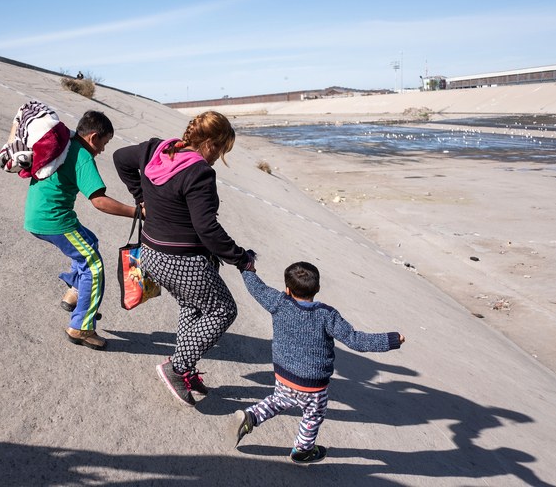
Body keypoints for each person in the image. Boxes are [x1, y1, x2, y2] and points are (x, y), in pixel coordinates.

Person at [113, 111, 256, 407]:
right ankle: (177, 368)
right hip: (182, 262)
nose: (219, 158)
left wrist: (142, 197)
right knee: (222, 310)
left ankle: (186, 367)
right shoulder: (200, 173)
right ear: (211, 143)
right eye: (222, 150)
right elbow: (208, 229)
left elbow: (119, 158)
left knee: (191, 305)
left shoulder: (156, 149)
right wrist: (241, 258)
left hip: (150, 256)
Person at [233, 261, 405, 464]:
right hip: (313, 386)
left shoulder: (279, 301)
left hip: (284, 375)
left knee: (279, 400)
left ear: (287, 289)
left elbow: (257, 289)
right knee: (313, 415)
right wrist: (391, 340)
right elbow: (356, 340)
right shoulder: (327, 315)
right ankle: (302, 450)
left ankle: (251, 416)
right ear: (318, 288)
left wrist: (246, 266)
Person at [23, 109, 136, 350]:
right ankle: (81, 327)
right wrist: (137, 212)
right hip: (54, 220)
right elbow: (99, 201)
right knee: (94, 267)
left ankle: (74, 293)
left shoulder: (66, 143)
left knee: (89, 241)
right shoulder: (83, 155)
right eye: (104, 143)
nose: (103, 149)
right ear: (94, 137)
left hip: (37, 215)